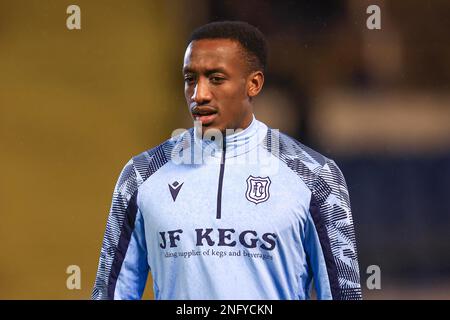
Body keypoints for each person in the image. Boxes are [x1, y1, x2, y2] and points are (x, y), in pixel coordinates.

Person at [92, 21, 362, 300]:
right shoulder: (140, 176)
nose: (199, 95)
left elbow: (345, 295)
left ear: (253, 84)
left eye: (216, 78)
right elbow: (110, 294)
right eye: (190, 79)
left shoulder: (316, 177)